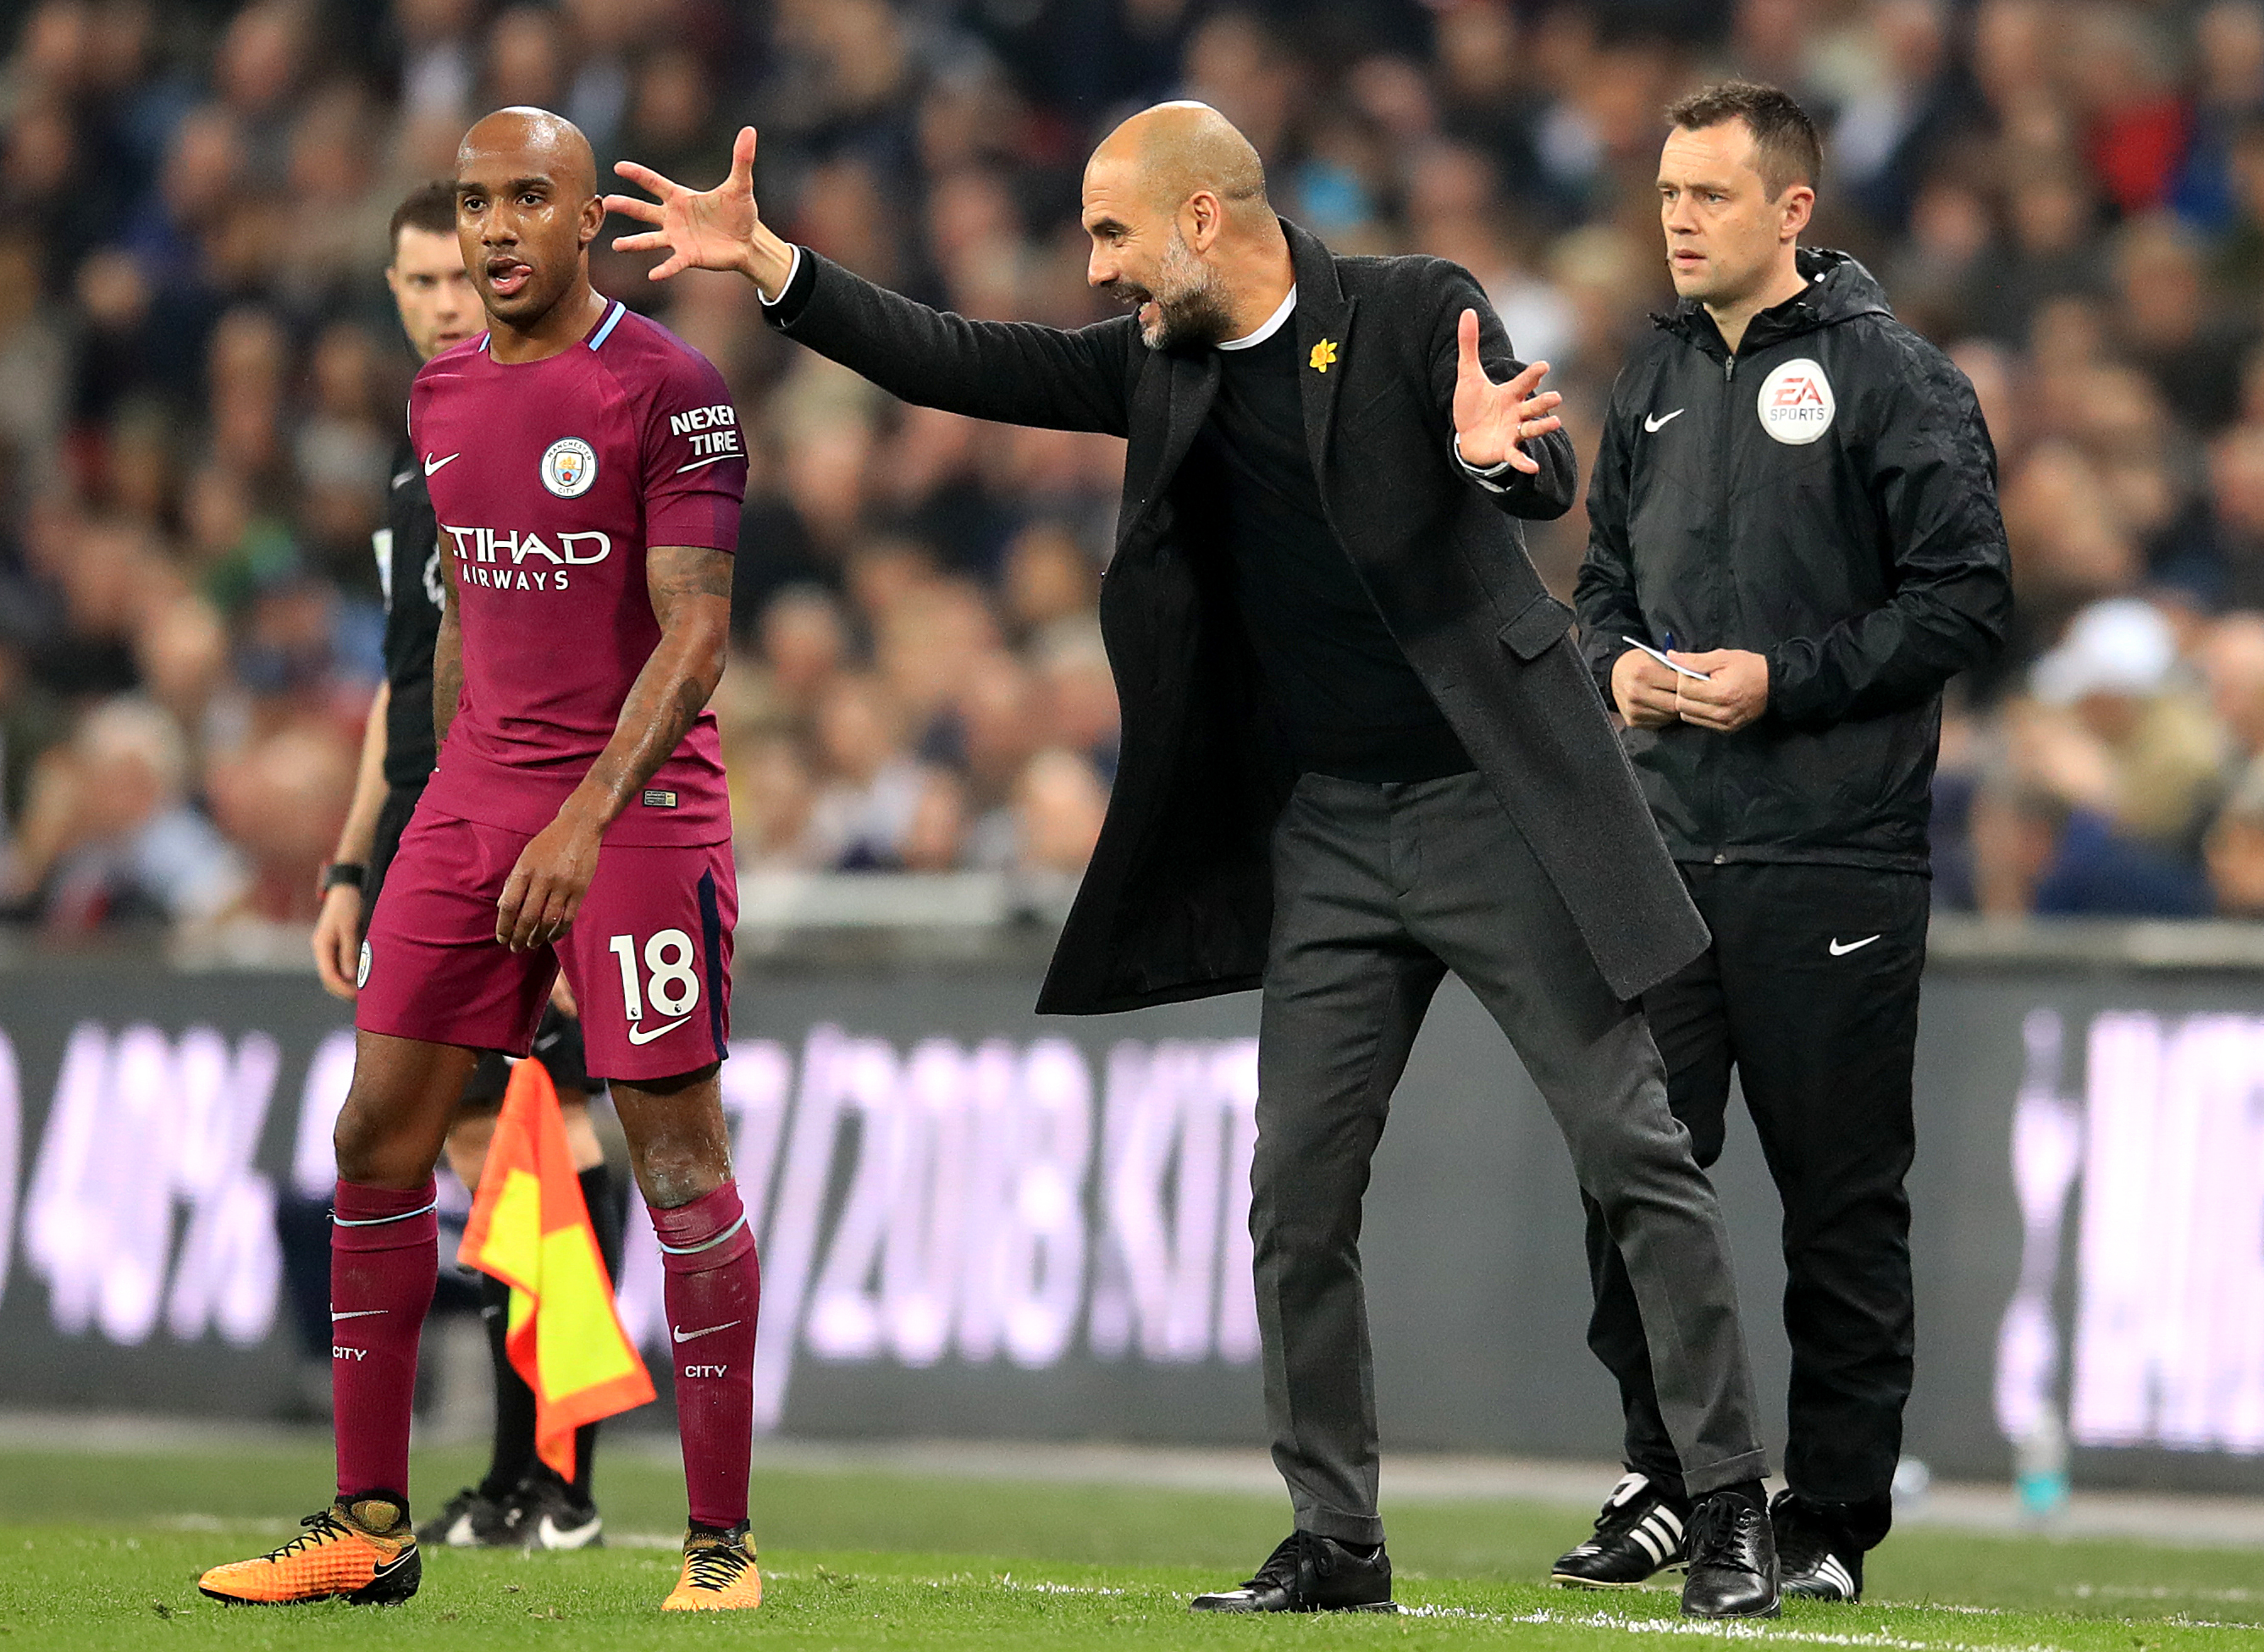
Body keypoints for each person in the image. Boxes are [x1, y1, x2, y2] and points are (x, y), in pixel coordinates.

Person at [610, 102, 1781, 1619]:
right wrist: (774, 265)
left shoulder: (1416, 306)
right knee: (1294, 1195)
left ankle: (1728, 1501)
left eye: (1113, 234)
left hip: (1490, 803)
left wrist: (1498, 464)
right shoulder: (1158, 371)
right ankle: (1337, 1541)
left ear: (1204, 219)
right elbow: (965, 358)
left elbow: (1534, 466)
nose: (1097, 270)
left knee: (1632, 1146)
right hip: (1331, 838)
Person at [198, 107, 759, 1612]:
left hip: (634, 817)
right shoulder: (440, 393)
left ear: (587, 222)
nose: (495, 228)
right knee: (376, 1139)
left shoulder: (674, 389)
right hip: (476, 803)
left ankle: (718, 1547)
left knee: (676, 1160)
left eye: (528, 199)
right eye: (473, 203)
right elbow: (458, 630)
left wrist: (580, 817)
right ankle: (366, 1529)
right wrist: (430, 821)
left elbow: (696, 636)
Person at [1567, 82, 2011, 1604]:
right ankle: (1671, 1481)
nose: (1677, 217)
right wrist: (1612, 664)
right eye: (1668, 191)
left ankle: (1826, 1518)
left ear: (1793, 211)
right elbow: (1599, 589)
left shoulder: (1897, 382)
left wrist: (1788, 682)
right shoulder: (1651, 382)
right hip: (1666, 849)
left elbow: (1966, 600)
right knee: (1636, 1174)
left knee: (1837, 1202)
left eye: (1708, 194)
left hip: (1835, 857)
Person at [304, 180, 632, 1555]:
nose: (449, 298)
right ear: (393, 291)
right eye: (422, 281)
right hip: (431, 828)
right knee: (474, 1140)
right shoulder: (422, 444)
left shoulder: (554, 414)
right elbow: (402, 678)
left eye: (462, 274)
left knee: (538, 1136)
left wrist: (582, 843)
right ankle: (530, 1476)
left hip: (528, 826)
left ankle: (551, 1479)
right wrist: (347, 858)